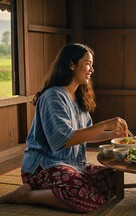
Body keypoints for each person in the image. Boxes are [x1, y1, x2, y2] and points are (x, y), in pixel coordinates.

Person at [0, 43, 129, 213]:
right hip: (42, 167)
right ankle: (24, 195)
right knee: (89, 198)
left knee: (115, 179)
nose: (92, 69)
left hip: (73, 165)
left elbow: (85, 135)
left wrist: (114, 134)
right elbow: (63, 140)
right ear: (71, 64)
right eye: (88, 63)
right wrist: (104, 124)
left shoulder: (79, 97)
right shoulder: (53, 97)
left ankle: (55, 192)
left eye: (92, 64)